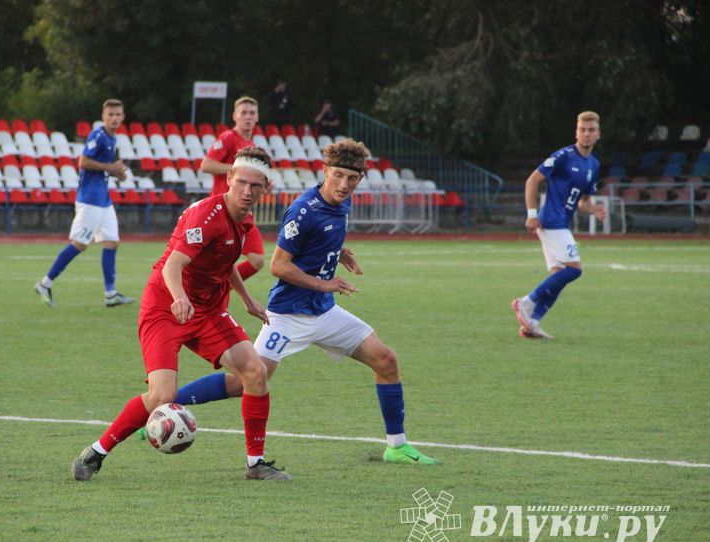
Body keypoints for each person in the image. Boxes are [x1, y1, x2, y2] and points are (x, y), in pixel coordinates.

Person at [164, 139, 439, 467]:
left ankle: (396, 446)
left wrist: (339, 253)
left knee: (386, 360)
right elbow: (279, 265)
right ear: (324, 172)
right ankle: (166, 407)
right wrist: (326, 283)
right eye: (337, 175)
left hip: (324, 311)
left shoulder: (340, 202)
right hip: (288, 316)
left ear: (360, 179)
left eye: (352, 179)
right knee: (245, 381)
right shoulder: (303, 210)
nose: (343, 184)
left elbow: (324, 237)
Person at [72, 147, 291, 482]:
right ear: (228, 179)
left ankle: (256, 464)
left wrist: (246, 299)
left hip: (207, 309)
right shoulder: (206, 215)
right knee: (162, 395)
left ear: (266, 188)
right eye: (242, 183)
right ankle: (96, 452)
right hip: (165, 305)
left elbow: (225, 260)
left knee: (255, 372)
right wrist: (179, 298)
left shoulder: (244, 219)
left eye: (255, 186)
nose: (247, 191)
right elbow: (173, 265)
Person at [512, 110, 606, 339]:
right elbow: (532, 180)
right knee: (574, 270)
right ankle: (526, 303)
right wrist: (531, 214)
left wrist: (593, 209)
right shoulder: (564, 155)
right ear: (576, 132)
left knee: (558, 276)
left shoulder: (593, 165)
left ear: (598, 135)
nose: (586, 134)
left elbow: (583, 201)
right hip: (551, 220)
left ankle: (532, 323)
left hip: (561, 222)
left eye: (591, 130)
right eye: (582, 129)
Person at [34, 99, 136, 308]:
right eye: (111, 114)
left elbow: (104, 168)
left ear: (123, 117)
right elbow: (84, 162)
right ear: (103, 116)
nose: (115, 118)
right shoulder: (97, 135)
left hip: (103, 199)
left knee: (112, 241)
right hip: (90, 199)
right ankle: (45, 283)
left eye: (118, 114)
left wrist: (117, 173)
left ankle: (110, 294)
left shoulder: (112, 138)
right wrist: (110, 166)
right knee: (80, 244)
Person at [199, 96, 266, 283]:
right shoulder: (228, 138)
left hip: (243, 212)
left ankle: (220, 287)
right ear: (235, 116)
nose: (248, 117)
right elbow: (206, 165)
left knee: (257, 260)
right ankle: (210, 289)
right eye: (243, 113)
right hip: (224, 209)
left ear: (257, 117)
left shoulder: (251, 146)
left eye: (252, 113)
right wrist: (237, 170)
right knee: (213, 260)